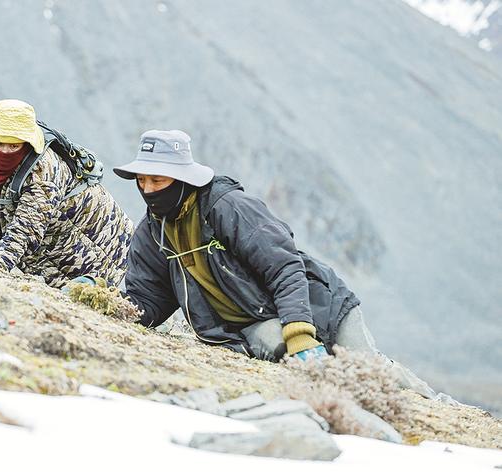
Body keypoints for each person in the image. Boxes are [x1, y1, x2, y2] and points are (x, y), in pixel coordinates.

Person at [111, 129, 436, 398]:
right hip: (255, 321)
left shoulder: (228, 208)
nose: (148, 190)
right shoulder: (153, 232)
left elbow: (284, 265)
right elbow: (149, 299)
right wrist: (109, 304)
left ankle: (432, 403)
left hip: (318, 303)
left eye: (158, 180)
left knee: (368, 369)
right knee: (291, 357)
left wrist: (299, 332)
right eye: (142, 181)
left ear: (182, 179)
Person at [0, 99, 133, 288]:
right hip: (53, 247)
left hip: (103, 244)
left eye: (14, 145)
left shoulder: (44, 169)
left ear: (28, 143)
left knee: (84, 299)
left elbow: (27, 227)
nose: (5, 151)